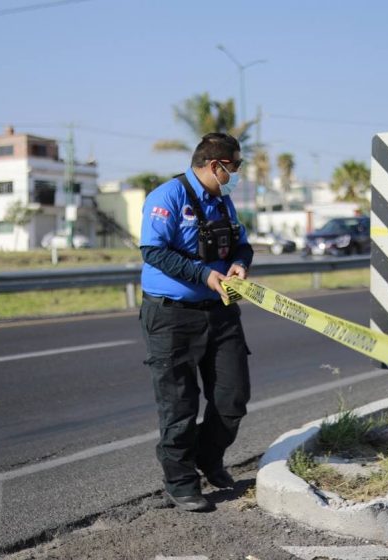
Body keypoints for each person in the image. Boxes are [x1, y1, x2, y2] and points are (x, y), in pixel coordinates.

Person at [139, 132, 254, 512]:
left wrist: (240, 263)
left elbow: (241, 243)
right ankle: (180, 481)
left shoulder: (224, 202)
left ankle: (208, 457)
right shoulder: (166, 197)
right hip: (172, 316)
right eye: (234, 166)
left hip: (221, 313)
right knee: (179, 404)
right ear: (215, 165)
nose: (237, 173)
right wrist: (203, 275)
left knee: (232, 397)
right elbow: (154, 251)